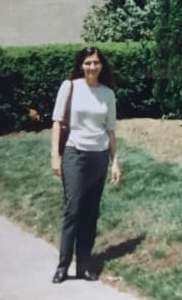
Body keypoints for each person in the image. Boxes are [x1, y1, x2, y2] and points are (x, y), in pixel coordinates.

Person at [50, 46, 122, 283]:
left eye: (96, 63)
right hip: (75, 154)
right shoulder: (69, 87)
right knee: (73, 209)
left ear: (102, 66)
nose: (92, 67)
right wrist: (55, 156)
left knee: (91, 212)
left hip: (99, 156)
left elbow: (110, 130)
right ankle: (63, 266)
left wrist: (115, 162)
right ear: (81, 65)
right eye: (88, 63)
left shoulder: (108, 94)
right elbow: (57, 122)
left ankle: (84, 265)